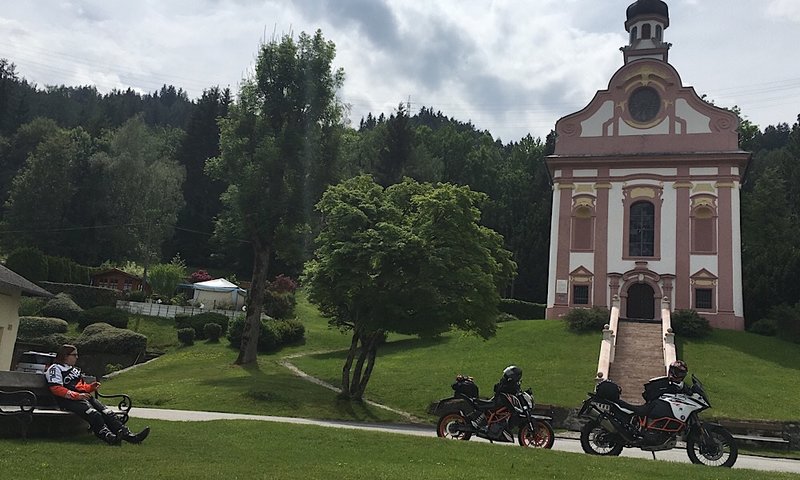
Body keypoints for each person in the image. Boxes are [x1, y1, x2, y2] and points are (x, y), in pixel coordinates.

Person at [46, 344, 150, 445]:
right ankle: (109, 437)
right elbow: (56, 388)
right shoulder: (55, 369)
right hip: (67, 400)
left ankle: (129, 436)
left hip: (84, 397)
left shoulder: (75, 370)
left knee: (107, 412)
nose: (77, 357)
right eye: (74, 355)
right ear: (65, 356)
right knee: (94, 414)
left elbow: (80, 386)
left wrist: (90, 387)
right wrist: (76, 396)